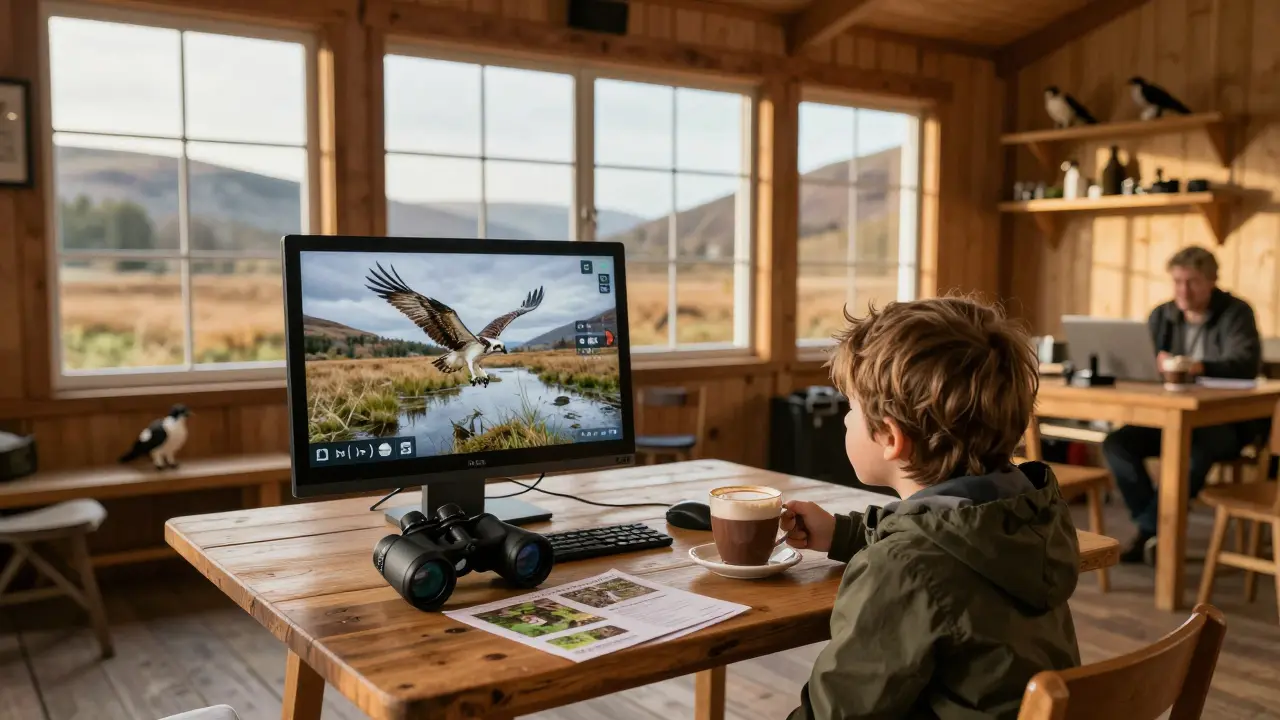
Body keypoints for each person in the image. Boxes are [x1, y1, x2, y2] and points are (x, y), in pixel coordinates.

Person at [782, 297, 1080, 720]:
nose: (846, 421)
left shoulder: (901, 569)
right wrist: (842, 533)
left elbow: (838, 715)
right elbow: (947, 534)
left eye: (850, 408)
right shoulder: (1028, 514)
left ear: (890, 437)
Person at [1102, 245, 1262, 564]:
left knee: (1194, 451)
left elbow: (1244, 364)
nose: (1183, 291)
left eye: (1191, 282)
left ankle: (1150, 531)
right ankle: (1157, 532)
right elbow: (1144, 364)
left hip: (1225, 423)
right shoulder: (1163, 314)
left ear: (1212, 281)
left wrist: (1195, 366)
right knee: (1117, 445)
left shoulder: (1236, 312)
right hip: (1170, 418)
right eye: (1177, 282)